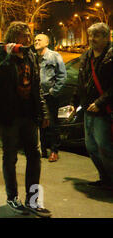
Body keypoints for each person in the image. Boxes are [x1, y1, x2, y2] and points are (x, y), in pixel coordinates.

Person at [0, 21, 51, 218]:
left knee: (34, 155)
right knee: (10, 157)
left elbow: (36, 85)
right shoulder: (0, 54)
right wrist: (9, 57)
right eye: (24, 35)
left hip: (29, 114)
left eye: (29, 34)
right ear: (14, 37)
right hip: (10, 115)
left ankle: (33, 201)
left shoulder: (31, 55)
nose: (29, 38)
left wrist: (43, 112)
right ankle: (12, 197)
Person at [70, 22, 113, 190]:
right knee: (91, 147)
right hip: (88, 110)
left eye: (96, 36)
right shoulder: (87, 56)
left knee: (105, 148)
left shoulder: (110, 56)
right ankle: (105, 178)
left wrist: (100, 103)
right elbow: (81, 82)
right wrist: (74, 102)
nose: (91, 39)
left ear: (105, 37)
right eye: (90, 36)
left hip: (104, 111)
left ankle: (110, 181)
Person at [34, 34, 67, 162]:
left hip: (49, 96)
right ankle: (42, 149)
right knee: (40, 123)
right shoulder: (33, 57)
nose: (36, 42)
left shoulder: (54, 56)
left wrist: (54, 92)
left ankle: (54, 151)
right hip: (37, 96)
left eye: (39, 40)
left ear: (47, 43)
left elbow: (62, 76)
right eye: (35, 40)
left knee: (53, 123)